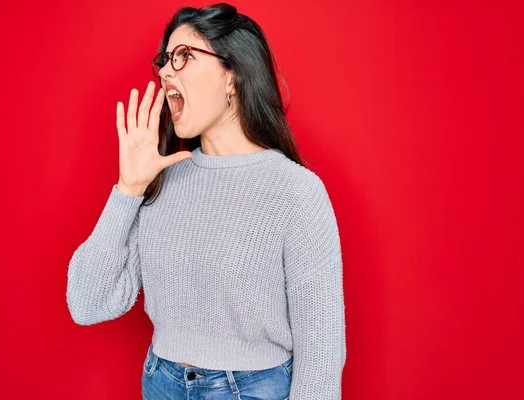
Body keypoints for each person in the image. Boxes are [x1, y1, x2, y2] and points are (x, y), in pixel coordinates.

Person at [66, 3, 346, 399]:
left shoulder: (295, 192)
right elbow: (87, 303)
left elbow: (322, 355)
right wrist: (127, 189)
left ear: (232, 76)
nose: (165, 72)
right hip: (161, 384)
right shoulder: (161, 181)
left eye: (184, 57)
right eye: (165, 60)